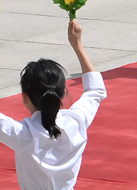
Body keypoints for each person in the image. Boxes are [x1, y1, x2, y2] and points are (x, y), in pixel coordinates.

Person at [0, 20, 106, 190]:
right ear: (63, 92)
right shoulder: (76, 122)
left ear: (25, 97)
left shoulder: (23, 135)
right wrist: (77, 45)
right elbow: (95, 90)